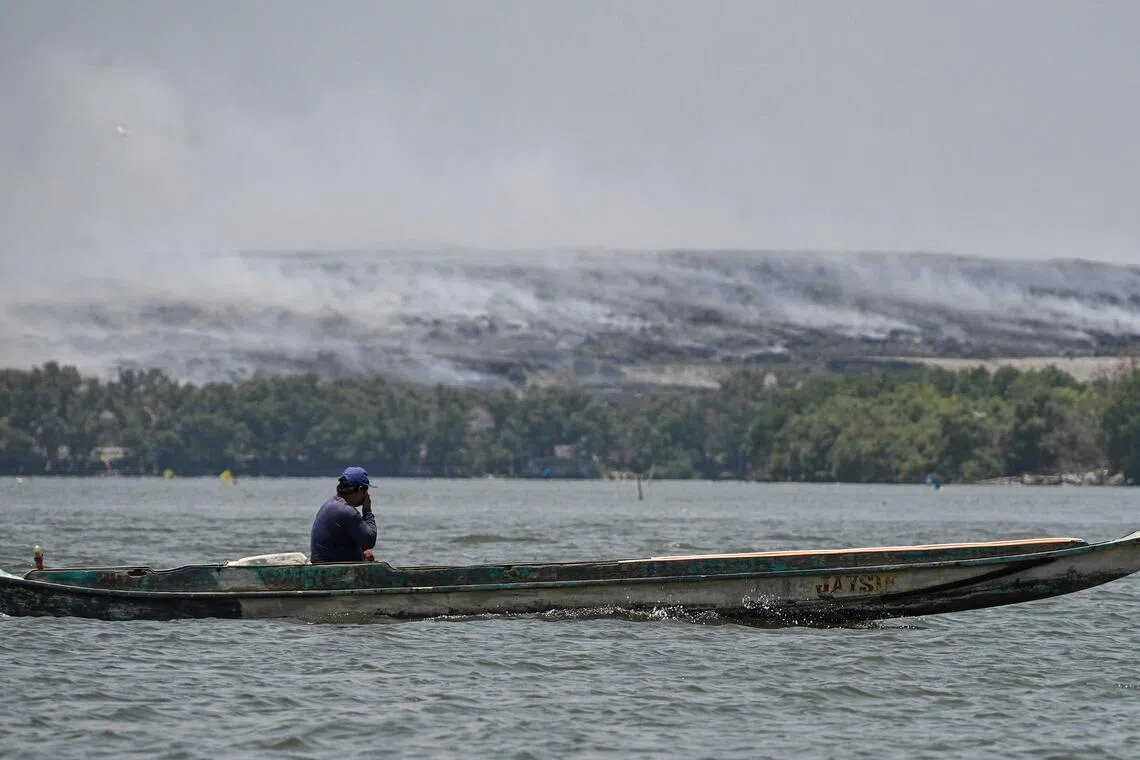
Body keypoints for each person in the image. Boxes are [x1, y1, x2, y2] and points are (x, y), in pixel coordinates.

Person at [310, 466, 378, 564]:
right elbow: (370, 541)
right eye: (366, 490)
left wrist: (362, 552)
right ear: (360, 489)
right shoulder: (348, 512)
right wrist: (367, 511)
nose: (367, 495)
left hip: (323, 567)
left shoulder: (330, 504)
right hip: (335, 572)